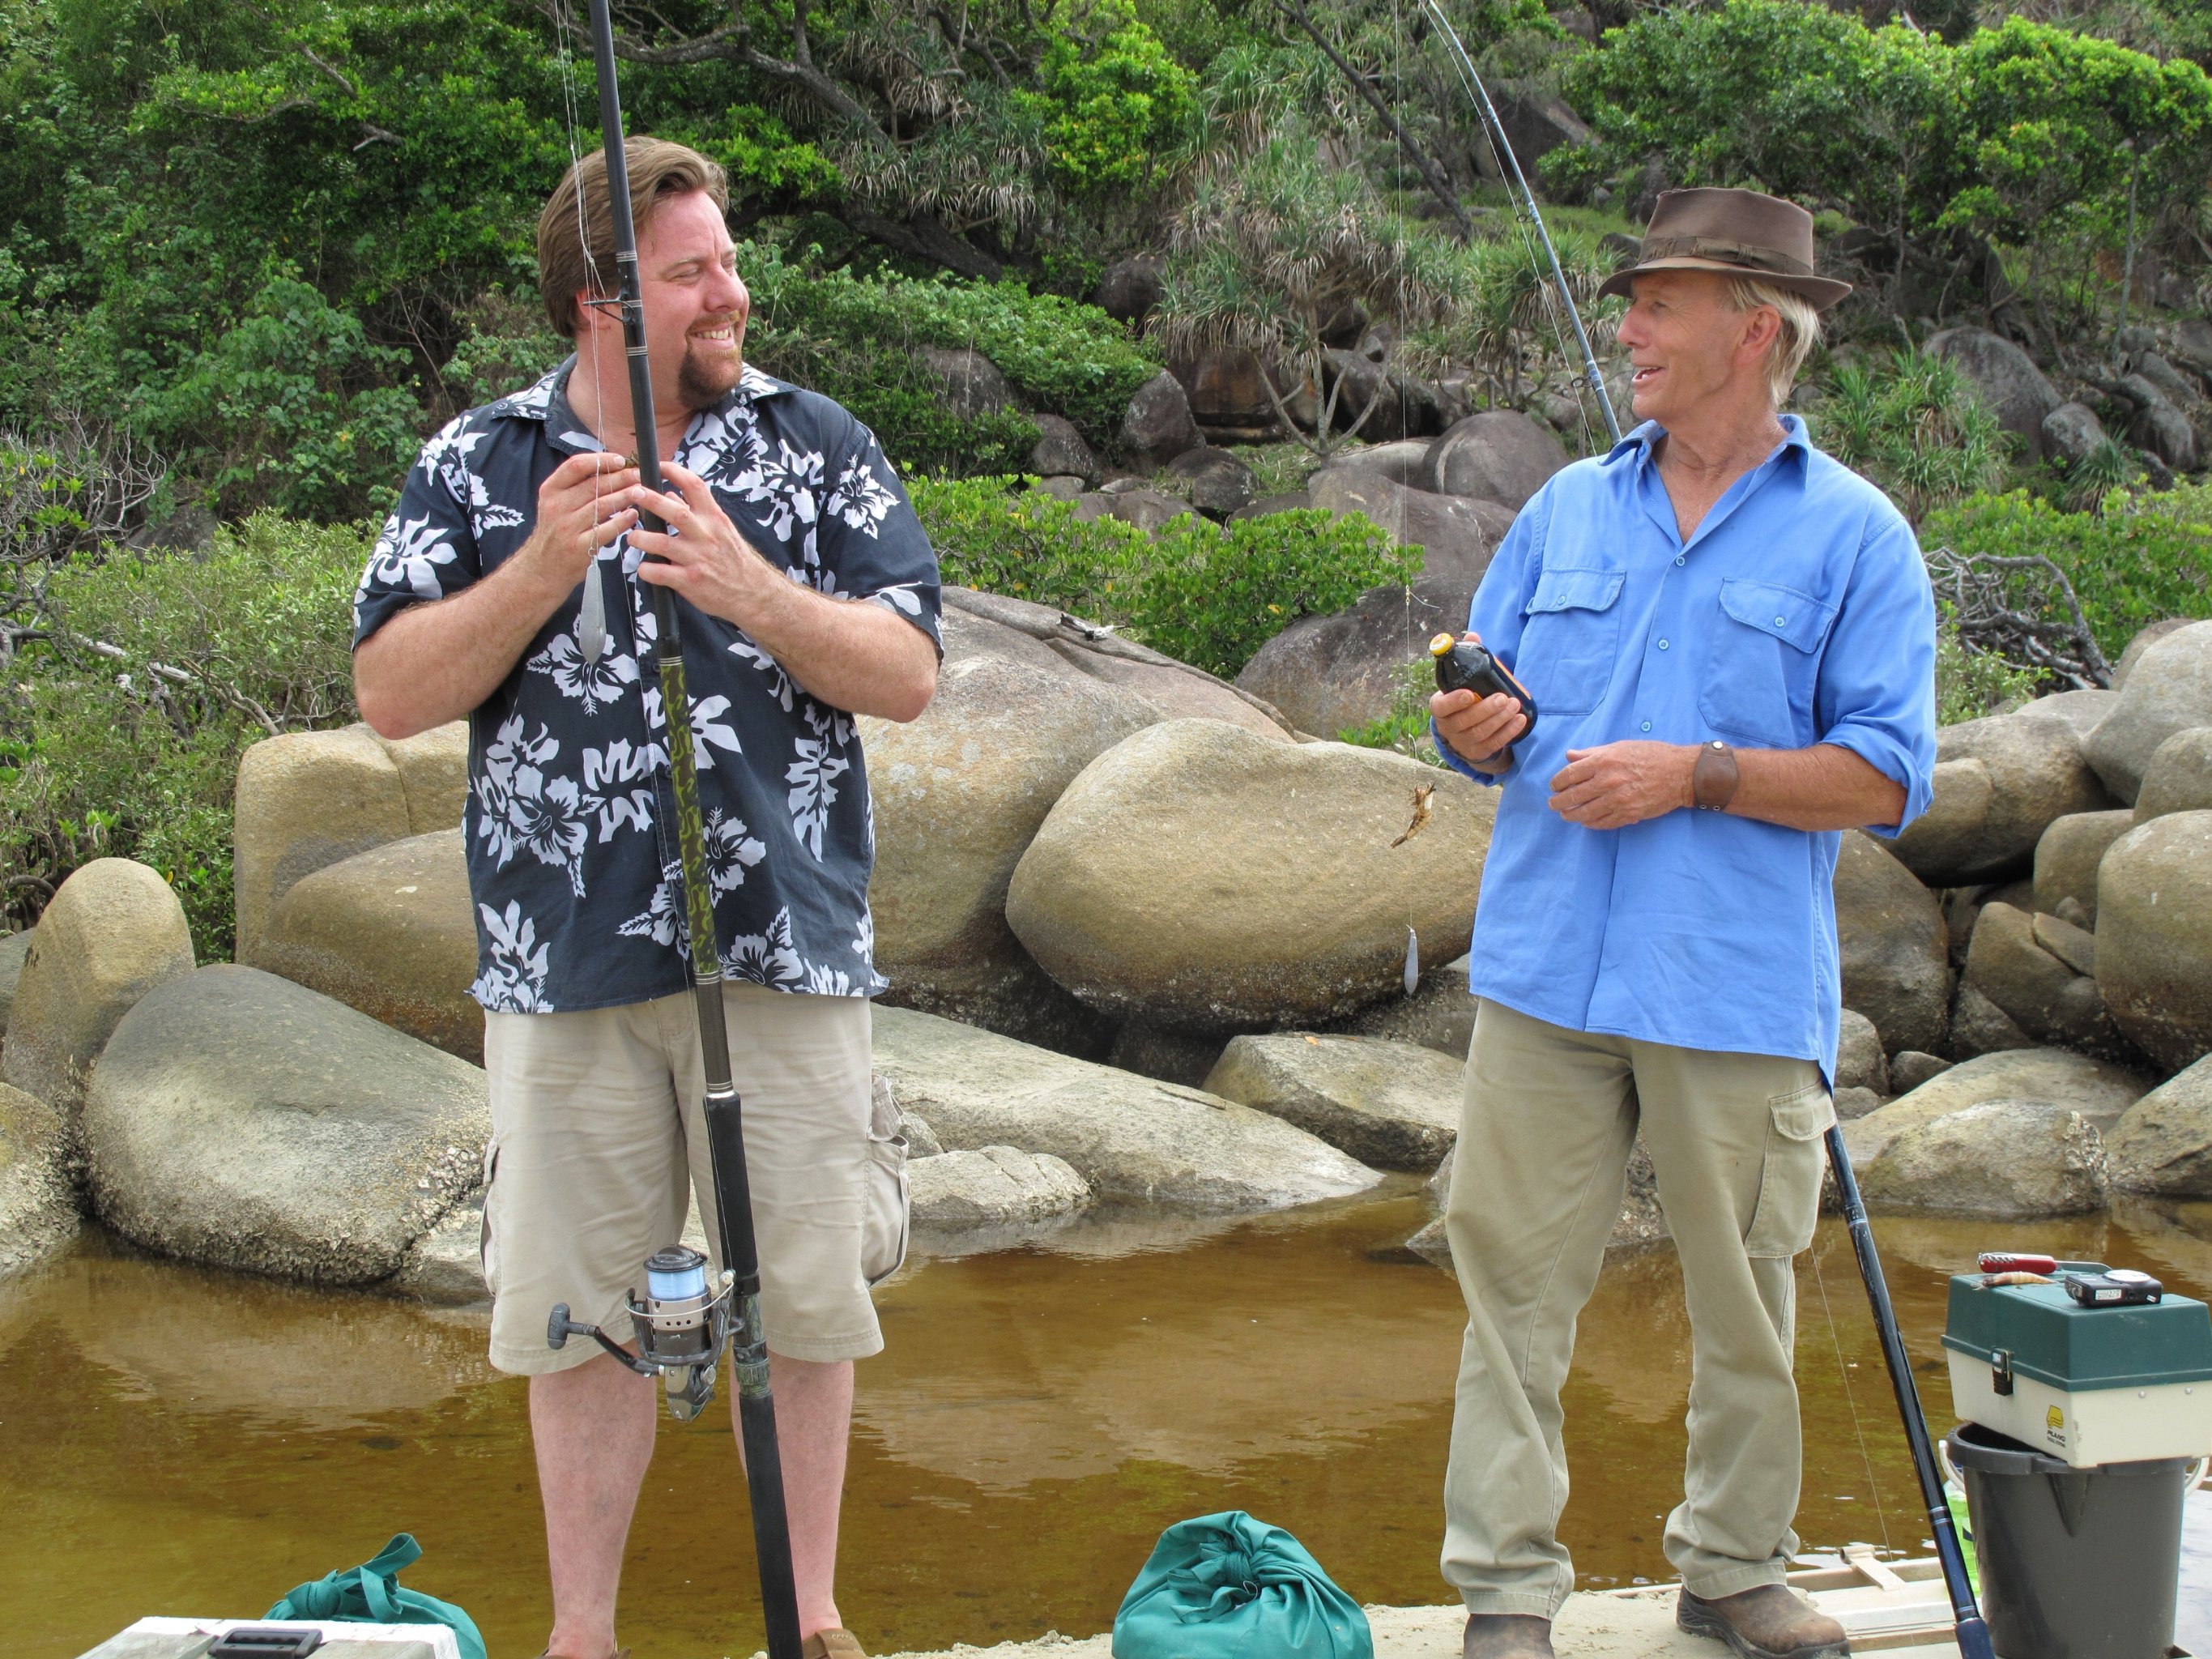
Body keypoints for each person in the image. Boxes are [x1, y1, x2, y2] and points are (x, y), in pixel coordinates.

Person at [352, 137, 940, 1659]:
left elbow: (912, 673)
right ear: (596, 302)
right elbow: (391, 694)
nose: (729, 293)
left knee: (803, 1295)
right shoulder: (476, 464)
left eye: (726, 260)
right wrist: (540, 565)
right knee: (579, 1309)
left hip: (786, 943)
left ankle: (808, 1619)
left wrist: (754, 590)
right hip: (563, 958)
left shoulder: (815, 443)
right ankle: (583, 1637)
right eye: (691, 273)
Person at [1429, 188, 1937, 1659]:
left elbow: (1888, 774)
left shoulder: (1861, 538)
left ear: (1752, 329)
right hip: (1541, 969)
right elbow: (1493, 723)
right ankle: (1507, 1594)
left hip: (1732, 981)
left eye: (1662, 303)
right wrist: (1477, 724)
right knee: (1511, 1290)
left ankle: (1732, 1571)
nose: (1631, 328)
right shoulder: (1567, 505)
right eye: (1633, 301)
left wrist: (1695, 775)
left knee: (1747, 1300)